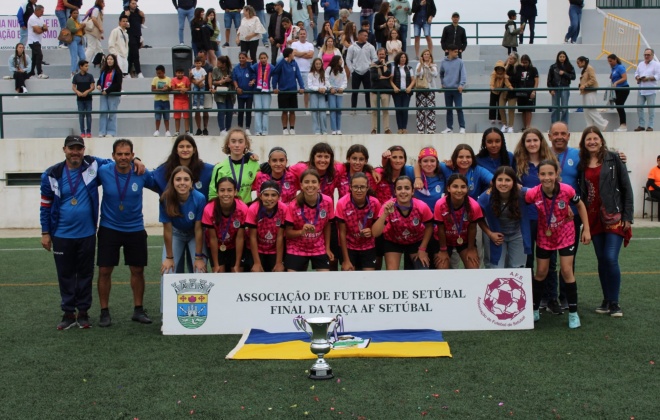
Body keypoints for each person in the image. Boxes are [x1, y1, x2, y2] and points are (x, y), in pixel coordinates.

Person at [40, 136, 110, 330]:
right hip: (61, 235)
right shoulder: (51, 174)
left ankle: (84, 313)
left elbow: (116, 161)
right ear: (64, 150)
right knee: (66, 275)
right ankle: (69, 313)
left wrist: (136, 160)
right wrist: (46, 232)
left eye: (79, 148)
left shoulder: (92, 165)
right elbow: (45, 206)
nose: (75, 152)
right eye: (72, 148)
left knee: (86, 274)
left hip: (87, 233)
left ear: (83, 150)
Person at [96, 139, 157, 327]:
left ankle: (138, 310)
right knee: (105, 270)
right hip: (109, 228)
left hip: (135, 229)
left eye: (127, 154)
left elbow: (161, 186)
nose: (123, 157)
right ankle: (104, 312)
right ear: (113, 156)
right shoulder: (103, 170)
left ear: (132, 155)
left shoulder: (141, 173)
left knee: (137, 270)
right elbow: (87, 160)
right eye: (119, 154)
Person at [525, 159, 590, 328]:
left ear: (556, 174)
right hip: (544, 235)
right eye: (543, 174)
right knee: (541, 272)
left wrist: (587, 229)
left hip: (565, 233)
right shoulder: (533, 193)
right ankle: (534, 310)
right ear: (538, 175)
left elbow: (581, 205)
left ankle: (574, 314)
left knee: (567, 270)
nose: (547, 177)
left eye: (550, 174)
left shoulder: (567, 190)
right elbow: (520, 201)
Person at [577, 126, 633, 317]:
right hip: (593, 218)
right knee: (602, 260)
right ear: (584, 143)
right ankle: (606, 300)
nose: (592, 142)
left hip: (613, 216)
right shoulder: (582, 163)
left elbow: (626, 187)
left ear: (601, 140)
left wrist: (628, 216)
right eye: (588, 139)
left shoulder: (614, 158)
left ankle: (615, 302)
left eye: (595, 138)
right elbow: (581, 192)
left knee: (610, 257)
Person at [372, 176, 433, 270]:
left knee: (422, 269)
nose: (403, 191)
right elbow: (375, 233)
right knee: (392, 273)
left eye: (407, 188)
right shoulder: (388, 206)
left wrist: (422, 249)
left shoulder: (421, 206)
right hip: (393, 240)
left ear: (412, 191)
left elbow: (429, 226)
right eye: (399, 188)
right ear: (395, 192)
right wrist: (385, 214)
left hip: (415, 240)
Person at [159, 166, 207, 278]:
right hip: (176, 234)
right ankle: (167, 296)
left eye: (186, 179)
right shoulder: (165, 199)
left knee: (200, 271)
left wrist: (198, 257)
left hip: (194, 235)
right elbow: (167, 229)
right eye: (178, 179)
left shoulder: (199, 198)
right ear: (172, 182)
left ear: (191, 182)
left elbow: (199, 229)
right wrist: (169, 258)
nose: (182, 183)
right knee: (167, 271)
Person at [478, 166, 530, 269]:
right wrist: (490, 233)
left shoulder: (522, 193)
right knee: (496, 268)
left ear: (514, 182)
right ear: (493, 182)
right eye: (500, 180)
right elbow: (477, 217)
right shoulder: (486, 197)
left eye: (507, 180)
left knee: (517, 268)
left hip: (517, 235)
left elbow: (541, 193)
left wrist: (566, 205)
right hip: (496, 235)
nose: (503, 183)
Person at [284, 169, 335, 272]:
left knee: (325, 278)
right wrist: (301, 232)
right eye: (306, 182)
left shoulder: (328, 201)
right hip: (297, 248)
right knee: (291, 278)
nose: (310, 185)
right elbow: (287, 233)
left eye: (314, 182)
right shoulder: (293, 205)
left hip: (318, 246)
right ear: (301, 185)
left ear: (319, 184)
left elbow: (327, 225)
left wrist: (327, 248)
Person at [433, 174, 483, 269]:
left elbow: (472, 229)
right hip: (444, 241)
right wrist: (443, 250)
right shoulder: (440, 204)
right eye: (455, 186)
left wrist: (471, 249)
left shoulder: (474, 206)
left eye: (463, 187)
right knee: (442, 268)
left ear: (467, 189)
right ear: (448, 188)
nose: (459, 190)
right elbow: (440, 229)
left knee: (473, 268)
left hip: (464, 240)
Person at [336, 172, 382, 271]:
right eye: (356, 187)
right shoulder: (342, 203)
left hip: (368, 245)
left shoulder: (375, 203)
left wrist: (371, 231)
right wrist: (346, 260)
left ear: (367, 187)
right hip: (349, 246)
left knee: (368, 279)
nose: (359, 190)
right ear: (350, 187)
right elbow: (342, 233)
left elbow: (377, 227)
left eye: (362, 187)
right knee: (349, 277)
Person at [203, 177, 248, 273]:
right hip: (217, 246)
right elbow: (212, 238)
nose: (226, 194)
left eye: (230, 190)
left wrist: (237, 264)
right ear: (217, 192)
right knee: (219, 272)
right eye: (222, 190)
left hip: (234, 245)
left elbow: (240, 238)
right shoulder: (209, 209)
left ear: (235, 192)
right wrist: (216, 264)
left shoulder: (242, 208)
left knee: (236, 272)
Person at [244, 181, 286, 272]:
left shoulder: (283, 209)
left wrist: (279, 262)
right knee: (256, 272)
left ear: (279, 197)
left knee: (278, 272)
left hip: (275, 249)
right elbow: (252, 237)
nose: (269, 198)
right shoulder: (253, 209)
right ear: (260, 196)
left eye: (273, 195)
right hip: (257, 249)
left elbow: (280, 237)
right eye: (266, 195)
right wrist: (257, 263)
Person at [209, 128, 260, 203]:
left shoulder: (254, 165)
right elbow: (212, 195)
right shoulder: (219, 168)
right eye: (233, 141)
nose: (237, 145)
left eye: (240, 142)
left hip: (246, 210)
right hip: (226, 211)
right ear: (228, 144)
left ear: (245, 144)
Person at [272, 47, 305, 135]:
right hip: (283, 91)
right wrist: (274, 87)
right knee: (284, 111)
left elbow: (298, 75)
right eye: (293, 53)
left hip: (293, 91)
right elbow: (275, 73)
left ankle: (292, 128)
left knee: (292, 111)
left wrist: (302, 86)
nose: (294, 55)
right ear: (289, 54)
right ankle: (284, 128)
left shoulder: (294, 63)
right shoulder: (281, 63)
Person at [347, 29, 378, 113]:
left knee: (368, 91)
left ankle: (368, 108)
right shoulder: (352, 47)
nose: (366, 37)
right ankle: (353, 109)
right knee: (354, 91)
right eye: (364, 35)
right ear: (359, 35)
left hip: (367, 71)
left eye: (367, 36)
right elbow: (348, 59)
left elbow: (375, 58)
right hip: (356, 71)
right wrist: (352, 70)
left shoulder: (370, 46)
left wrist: (370, 66)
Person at [439, 45, 467, 134]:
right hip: (447, 89)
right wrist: (443, 83)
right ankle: (449, 127)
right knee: (449, 109)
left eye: (457, 51)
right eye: (455, 51)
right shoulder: (443, 62)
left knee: (459, 108)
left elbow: (463, 75)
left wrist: (461, 85)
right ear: (449, 51)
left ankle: (462, 127)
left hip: (456, 89)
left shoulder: (460, 62)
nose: (457, 53)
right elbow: (441, 73)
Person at [577, 56, 608, 132]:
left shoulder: (589, 68)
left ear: (583, 62)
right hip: (585, 92)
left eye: (578, 63)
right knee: (586, 110)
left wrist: (585, 85)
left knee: (591, 109)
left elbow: (593, 79)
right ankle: (589, 126)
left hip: (590, 91)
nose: (578, 65)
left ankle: (603, 123)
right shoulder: (585, 70)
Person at [634, 48, 660, 132]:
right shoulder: (641, 64)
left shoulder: (656, 64)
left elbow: (657, 76)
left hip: (651, 90)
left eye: (648, 55)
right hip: (641, 89)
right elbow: (636, 73)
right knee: (639, 107)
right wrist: (637, 77)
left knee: (651, 109)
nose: (646, 56)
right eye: (645, 55)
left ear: (652, 56)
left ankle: (650, 125)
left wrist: (648, 78)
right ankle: (641, 125)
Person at [96, 54, 123, 138]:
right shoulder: (104, 71)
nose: (109, 61)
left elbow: (118, 85)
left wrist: (107, 91)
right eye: (108, 59)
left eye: (111, 59)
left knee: (112, 113)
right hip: (104, 95)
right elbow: (100, 80)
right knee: (103, 112)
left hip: (113, 95)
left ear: (114, 61)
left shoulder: (118, 71)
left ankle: (111, 132)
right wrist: (99, 85)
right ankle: (102, 131)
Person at [511, 53, 538, 131]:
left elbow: (536, 81)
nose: (524, 64)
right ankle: (524, 126)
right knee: (523, 110)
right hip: (521, 91)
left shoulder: (533, 69)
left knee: (529, 110)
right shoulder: (519, 68)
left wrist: (534, 91)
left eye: (526, 62)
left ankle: (528, 126)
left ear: (529, 62)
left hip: (530, 92)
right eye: (523, 62)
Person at [547, 50, 576, 125]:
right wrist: (551, 90)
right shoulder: (553, 67)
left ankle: (564, 125)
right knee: (555, 108)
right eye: (560, 57)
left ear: (566, 57)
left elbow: (573, 77)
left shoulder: (569, 66)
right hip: (555, 88)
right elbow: (549, 80)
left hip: (565, 88)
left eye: (563, 57)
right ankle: (554, 125)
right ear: (558, 57)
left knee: (564, 108)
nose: (562, 58)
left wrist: (564, 73)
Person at [390, 51, 415, 134]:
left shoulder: (409, 68)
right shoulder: (394, 68)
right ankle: (399, 128)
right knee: (398, 109)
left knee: (405, 109)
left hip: (406, 92)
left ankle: (404, 127)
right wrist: (394, 87)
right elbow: (391, 80)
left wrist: (409, 87)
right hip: (397, 92)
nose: (403, 59)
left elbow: (413, 80)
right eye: (401, 57)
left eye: (404, 57)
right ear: (398, 58)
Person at [369, 48, 393, 134]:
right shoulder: (373, 65)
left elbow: (388, 73)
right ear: (377, 54)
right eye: (380, 54)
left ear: (385, 54)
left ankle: (386, 128)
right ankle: (374, 129)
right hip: (374, 90)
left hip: (385, 90)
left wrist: (384, 65)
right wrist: (385, 77)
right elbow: (374, 77)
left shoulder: (388, 64)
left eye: (383, 54)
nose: (381, 56)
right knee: (374, 111)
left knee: (385, 110)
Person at [232, 52, 256, 135]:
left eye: (243, 58)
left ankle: (247, 128)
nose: (241, 59)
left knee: (248, 110)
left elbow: (254, 77)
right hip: (240, 93)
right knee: (241, 110)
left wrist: (252, 82)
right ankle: (240, 128)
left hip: (249, 93)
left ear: (246, 58)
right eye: (240, 58)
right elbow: (234, 79)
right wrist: (237, 87)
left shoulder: (250, 67)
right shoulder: (236, 68)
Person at [292, 28, 315, 113]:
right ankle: (293, 108)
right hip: (296, 70)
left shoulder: (310, 44)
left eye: (304, 34)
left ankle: (306, 108)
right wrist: (305, 52)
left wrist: (299, 54)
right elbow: (294, 53)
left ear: (306, 35)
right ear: (298, 35)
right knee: (294, 90)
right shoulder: (294, 44)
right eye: (301, 34)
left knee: (306, 90)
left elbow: (311, 55)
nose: (302, 35)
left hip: (307, 70)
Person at [415, 49, 438, 134]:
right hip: (421, 89)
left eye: (428, 54)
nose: (426, 56)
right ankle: (420, 129)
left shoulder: (434, 65)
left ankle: (431, 128)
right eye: (425, 54)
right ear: (422, 56)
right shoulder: (418, 64)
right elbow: (417, 74)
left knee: (430, 109)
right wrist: (421, 65)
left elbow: (435, 74)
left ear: (430, 56)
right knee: (420, 109)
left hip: (430, 88)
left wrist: (429, 66)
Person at [211, 56, 235, 135]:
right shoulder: (215, 69)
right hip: (220, 94)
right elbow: (214, 82)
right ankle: (222, 129)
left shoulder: (230, 70)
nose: (217, 64)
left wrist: (230, 79)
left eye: (219, 62)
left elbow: (234, 79)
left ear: (224, 64)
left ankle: (228, 129)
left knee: (229, 112)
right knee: (221, 111)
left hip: (229, 93)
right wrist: (223, 81)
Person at [251, 52, 273, 136]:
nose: (263, 59)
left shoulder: (271, 67)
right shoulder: (256, 66)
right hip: (257, 91)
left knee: (265, 111)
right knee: (258, 111)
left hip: (266, 91)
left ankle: (265, 130)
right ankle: (258, 130)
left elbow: (276, 72)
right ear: (259, 59)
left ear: (267, 58)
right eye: (261, 58)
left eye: (265, 58)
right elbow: (250, 70)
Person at [72, 60, 95, 138]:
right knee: (81, 115)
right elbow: (73, 87)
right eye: (85, 66)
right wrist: (77, 92)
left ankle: (88, 131)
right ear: (81, 67)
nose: (87, 68)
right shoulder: (76, 76)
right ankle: (82, 131)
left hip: (88, 98)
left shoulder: (90, 76)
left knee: (88, 114)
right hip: (80, 99)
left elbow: (92, 86)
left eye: (87, 66)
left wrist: (87, 91)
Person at [122, 0, 144, 78]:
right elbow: (123, 23)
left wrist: (143, 16)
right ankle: (139, 72)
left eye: (135, 3)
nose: (134, 5)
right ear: (129, 4)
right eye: (133, 3)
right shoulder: (125, 12)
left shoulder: (138, 13)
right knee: (135, 54)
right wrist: (127, 16)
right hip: (129, 36)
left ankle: (127, 72)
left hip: (137, 36)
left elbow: (141, 24)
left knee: (131, 55)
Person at [326, 55, 347, 134]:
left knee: (339, 110)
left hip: (340, 92)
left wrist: (342, 88)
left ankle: (339, 129)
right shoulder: (329, 69)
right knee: (333, 110)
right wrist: (330, 88)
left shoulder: (342, 70)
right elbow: (326, 79)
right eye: (340, 60)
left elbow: (345, 81)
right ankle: (333, 129)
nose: (341, 61)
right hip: (332, 92)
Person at [608, 53, 630, 132]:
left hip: (623, 88)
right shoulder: (613, 69)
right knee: (618, 105)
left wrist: (616, 82)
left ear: (615, 60)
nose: (610, 63)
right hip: (617, 89)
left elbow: (624, 78)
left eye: (611, 61)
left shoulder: (620, 67)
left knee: (620, 104)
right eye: (609, 62)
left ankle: (623, 124)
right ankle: (622, 124)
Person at [307, 58, 329, 134]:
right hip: (314, 94)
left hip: (322, 94)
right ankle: (316, 130)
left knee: (322, 113)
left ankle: (324, 130)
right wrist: (318, 89)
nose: (318, 65)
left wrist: (324, 88)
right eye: (316, 64)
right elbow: (310, 85)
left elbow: (327, 84)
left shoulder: (324, 73)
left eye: (319, 64)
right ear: (314, 64)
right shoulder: (310, 74)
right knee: (314, 112)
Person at [27, 4, 48, 79]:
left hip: (38, 41)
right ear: (36, 10)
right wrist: (42, 28)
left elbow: (45, 28)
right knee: (39, 55)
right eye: (41, 11)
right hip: (33, 41)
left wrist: (41, 28)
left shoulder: (41, 18)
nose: (42, 13)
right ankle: (40, 72)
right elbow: (38, 31)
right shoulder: (32, 18)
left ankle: (31, 72)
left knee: (34, 57)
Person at [150, 65, 171, 137]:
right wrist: (161, 90)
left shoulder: (168, 79)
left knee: (166, 116)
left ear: (164, 72)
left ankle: (167, 131)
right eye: (157, 73)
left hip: (166, 100)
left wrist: (167, 88)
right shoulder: (155, 79)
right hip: (157, 100)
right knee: (157, 116)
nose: (158, 75)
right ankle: (157, 130)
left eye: (160, 73)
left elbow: (170, 88)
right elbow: (152, 89)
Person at [171, 67, 191, 136]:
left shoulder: (186, 78)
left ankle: (187, 131)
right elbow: (173, 89)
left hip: (185, 100)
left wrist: (185, 90)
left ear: (183, 73)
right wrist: (180, 90)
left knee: (186, 116)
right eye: (178, 73)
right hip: (177, 100)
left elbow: (189, 88)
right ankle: (177, 131)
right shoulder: (173, 80)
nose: (180, 74)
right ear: (176, 73)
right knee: (177, 116)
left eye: (181, 73)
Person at [501, 52, 519, 133]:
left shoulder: (518, 67)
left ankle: (511, 126)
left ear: (515, 60)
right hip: (504, 89)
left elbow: (518, 78)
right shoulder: (506, 66)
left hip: (513, 90)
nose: (510, 60)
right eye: (509, 58)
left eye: (511, 59)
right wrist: (506, 64)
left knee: (511, 108)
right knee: (501, 107)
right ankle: (504, 124)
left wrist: (509, 77)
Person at [84, 0, 105, 67]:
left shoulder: (95, 9)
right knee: (91, 47)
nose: (104, 4)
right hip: (91, 32)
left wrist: (100, 34)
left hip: (94, 32)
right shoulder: (96, 9)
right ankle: (84, 62)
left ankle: (97, 61)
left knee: (99, 48)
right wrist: (100, 28)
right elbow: (94, 19)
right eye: (103, 3)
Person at [65, 9, 86, 78]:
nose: (76, 14)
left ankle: (76, 69)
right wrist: (80, 27)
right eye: (74, 13)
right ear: (71, 14)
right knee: (74, 57)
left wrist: (82, 28)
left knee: (83, 57)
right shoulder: (70, 20)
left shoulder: (77, 21)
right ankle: (73, 72)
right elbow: (72, 30)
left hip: (79, 40)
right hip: (73, 39)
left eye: (77, 13)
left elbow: (81, 32)